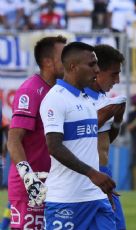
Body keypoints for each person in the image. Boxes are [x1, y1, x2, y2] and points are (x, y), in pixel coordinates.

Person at [40, 41, 116, 229]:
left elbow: (88, 146)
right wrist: (93, 174)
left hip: (96, 197)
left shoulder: (87, 100)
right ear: (73, 67)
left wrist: (100, 185)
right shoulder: (55, 99)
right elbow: (54, 146)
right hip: (66, 199)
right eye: (91, 64)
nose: (97, 70)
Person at [6, 35, 67, 230]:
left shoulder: (59, 91)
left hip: (54, 183)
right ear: (48, 62)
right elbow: (14, 139)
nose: (69, 60)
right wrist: (29, 178)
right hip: (31, 187)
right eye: (63, 56)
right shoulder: (31, 90)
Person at [85, 44, 127, 230]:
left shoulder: (104, 99)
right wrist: (104, 115)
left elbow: (106, 141)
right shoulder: (79, 98)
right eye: (113, 74)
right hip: (86, 175)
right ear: (97, 70)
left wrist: (117, 119)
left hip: (104, 173)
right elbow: (78, 136)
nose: (117, 80)